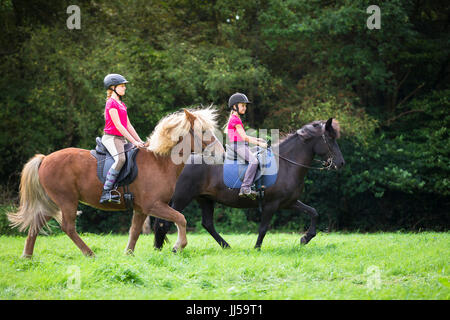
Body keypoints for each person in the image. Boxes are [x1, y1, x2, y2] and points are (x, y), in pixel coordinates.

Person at [100, 73, 145, 204]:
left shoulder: (121, 104)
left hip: (121, 139)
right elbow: (119, 126)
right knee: (120, 159)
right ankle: (106, 191)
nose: (124, 88)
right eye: (122, 86)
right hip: (111, 138)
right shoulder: (111, 103)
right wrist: (133, 142)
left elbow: (128, 125)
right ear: (113, 87)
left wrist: (140, 141)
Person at [226, 92, 267, 199]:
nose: (244, 108)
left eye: (245, 106)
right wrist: (260, 143)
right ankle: (245, 187)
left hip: (242, 144)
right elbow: (244, 137)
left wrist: (258, 140)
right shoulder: (235, 119)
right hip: (238, 146)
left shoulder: (236, 118)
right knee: (254, 161)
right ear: (235, 106)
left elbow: (244, 138)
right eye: (242, 105)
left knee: (258, 151)